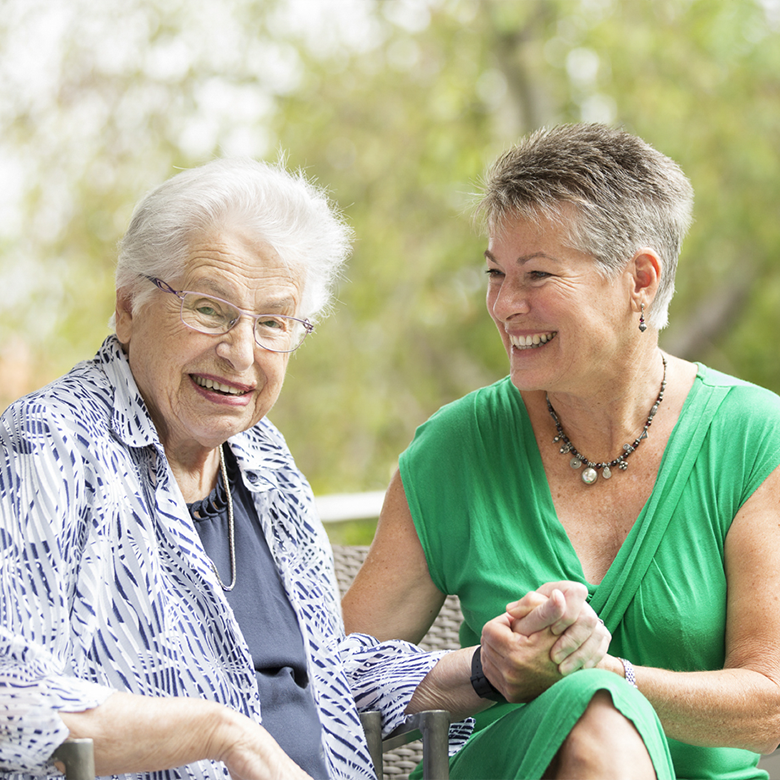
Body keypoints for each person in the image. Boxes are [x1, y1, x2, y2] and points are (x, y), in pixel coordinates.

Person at [0, 157, 615, 780]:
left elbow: (319, 675)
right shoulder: (48, 447)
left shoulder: (262, 458)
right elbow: (9, 699)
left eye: (272, 323)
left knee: (591, 718)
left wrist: (490, 667)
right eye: (210, 310)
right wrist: (220, 734)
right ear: (129, 307)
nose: (241, 353)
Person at [343, 123, 780, 780]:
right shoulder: (454, 450)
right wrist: (489, 673)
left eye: (536, 275)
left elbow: (767, 708)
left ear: (639, 278)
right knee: (588, 711)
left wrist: (607, 675)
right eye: (495, 273)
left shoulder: (752, 437)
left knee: (596, 698)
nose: (504, 305)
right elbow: (330, 674)